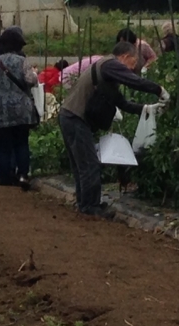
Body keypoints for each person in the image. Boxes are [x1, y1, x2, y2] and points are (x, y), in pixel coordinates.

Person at [59, 41, 168, 218]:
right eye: (132, 64)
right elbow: (134, 81)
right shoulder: (110, 64)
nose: (131, 70)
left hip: (70, 116)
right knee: (89, 164)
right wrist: (159, 90)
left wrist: (149, 108)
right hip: (75, 118)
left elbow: (123, 103)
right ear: (124, 57)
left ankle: (85, 204)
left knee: (82, 165)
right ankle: (90, 207)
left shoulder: (107, 74)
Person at [0, 26, 39, 189]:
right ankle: (22, 175)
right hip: (21, 111)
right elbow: (31, 80)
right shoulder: (22, 61)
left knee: (1, 146)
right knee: (21, 143)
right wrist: (35, 75)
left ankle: (4, 178)